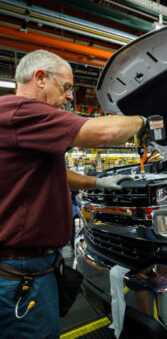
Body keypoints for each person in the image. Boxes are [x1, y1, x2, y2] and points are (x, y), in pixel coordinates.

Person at [0, 50, 144, 338]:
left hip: (25, 265)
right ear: (39, 78)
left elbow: (49, 174)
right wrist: (146, 117)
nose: (68, 96)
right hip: (22, 270)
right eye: (65, 87)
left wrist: (98, 183)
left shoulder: (17, 122)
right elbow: (104, 133)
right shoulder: (21, 111)